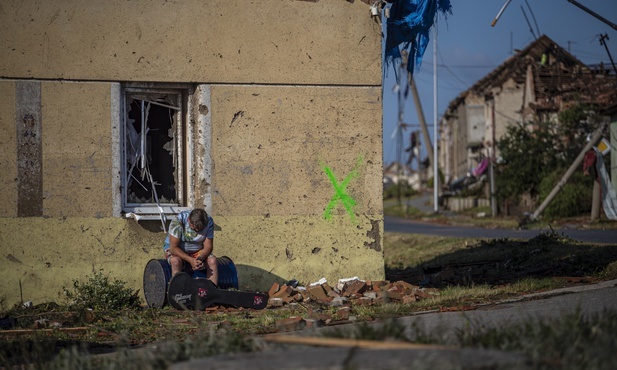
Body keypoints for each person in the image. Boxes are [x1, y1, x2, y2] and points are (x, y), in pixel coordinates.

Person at [163, 208, 218, 285]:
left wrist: (200, 259)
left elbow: (208, 246)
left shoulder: (209, 221)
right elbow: (173, 248)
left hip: (197, 250)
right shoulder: (178, 221)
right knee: (175, 262)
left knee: (212, 261)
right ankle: (177, 292)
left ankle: (212, 292)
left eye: (200, 230)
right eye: (194, 229)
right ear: (189, 220)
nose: (197, 231)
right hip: (177, 249)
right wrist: (190, 260)